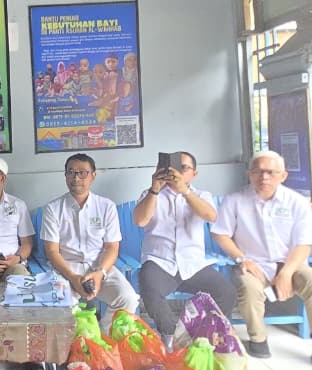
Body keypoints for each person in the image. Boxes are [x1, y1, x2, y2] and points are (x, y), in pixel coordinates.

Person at [212, 150, 312, 358]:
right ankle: (258, 340)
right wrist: (242, 258)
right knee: (248, 288)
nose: (264, 177)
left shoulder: (297, 202)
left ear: (283, 176)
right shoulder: (235, 200)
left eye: (271, 172)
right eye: (257, 171)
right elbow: (220, 233)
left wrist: (286, 273)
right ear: (249, 174)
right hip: (252, 264)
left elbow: (304, 244)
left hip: (290, 263)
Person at [133, 150, 236, 347]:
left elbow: (211, 216)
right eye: (173, 167)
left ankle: (201, 333)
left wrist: (185, 191)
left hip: (193, 265)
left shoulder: (202, 195)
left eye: (184, 168)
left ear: (194, 174)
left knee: (227, 292)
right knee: (150, 289)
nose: (177, 172)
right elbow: (140, 221)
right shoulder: (150, 194)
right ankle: (170, 336)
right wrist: (155, 189)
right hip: (160, 262)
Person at [41, 153, 138, 320]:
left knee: (127, 299)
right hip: (66, 268)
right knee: (62, 304)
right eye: (71, 172)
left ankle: (105, 334)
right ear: (65, 176)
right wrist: (72, 277)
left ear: (93, 175)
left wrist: (100, 273)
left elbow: (112, 247)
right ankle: (76, 336)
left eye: (82, 173)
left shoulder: (106, 206)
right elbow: (52, 251)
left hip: (99, 265)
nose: (76, 177)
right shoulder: (53, 209)